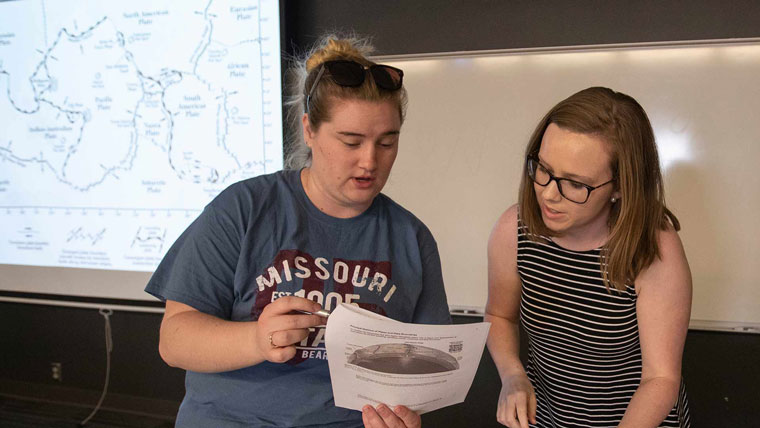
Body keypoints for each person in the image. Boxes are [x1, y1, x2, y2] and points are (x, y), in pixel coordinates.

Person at [145, 35, 451, 428]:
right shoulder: (243, 209)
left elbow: (428, 374)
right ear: (309, 130)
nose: (369, 161)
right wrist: (257, 339)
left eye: (387, 142)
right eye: (351, 141)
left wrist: (407, 414)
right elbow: (174, 340)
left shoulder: (412, 237)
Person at [485, 87, 692, 428]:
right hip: (551, 418)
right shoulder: (514, 229)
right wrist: (512, 376)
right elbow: (499, 316)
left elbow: (660, 379)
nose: (549, 194)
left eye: (575, 184)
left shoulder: (654, 249)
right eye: (544, 170)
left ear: (621, 186)